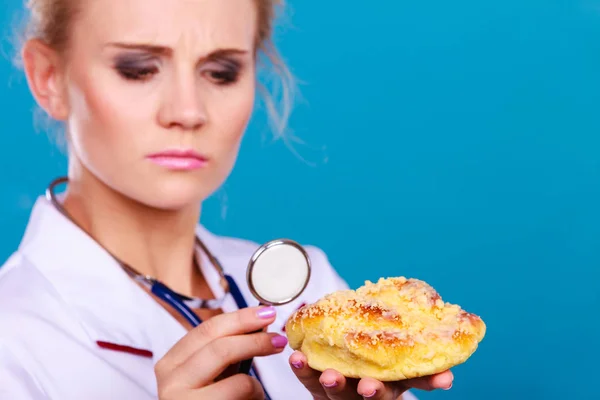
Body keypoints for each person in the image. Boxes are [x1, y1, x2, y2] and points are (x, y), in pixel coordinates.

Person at [0, 0, 455, 399]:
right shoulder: (13, 339)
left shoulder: (318, 294)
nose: (187, 111)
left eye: (221, 73)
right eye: (138, 69)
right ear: (48, 79)